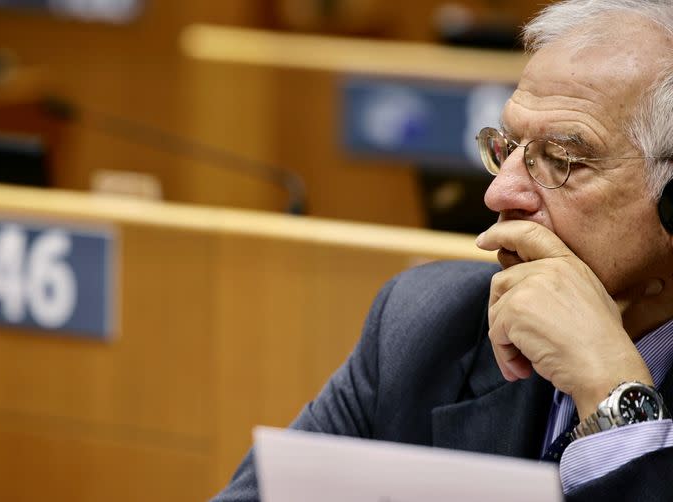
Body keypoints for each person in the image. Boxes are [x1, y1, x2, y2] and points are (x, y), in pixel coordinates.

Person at [213, 1, 673, 500]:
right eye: (508, 149)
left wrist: (615, 396)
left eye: (561, 159)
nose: (499, 194)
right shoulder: (428, 328)